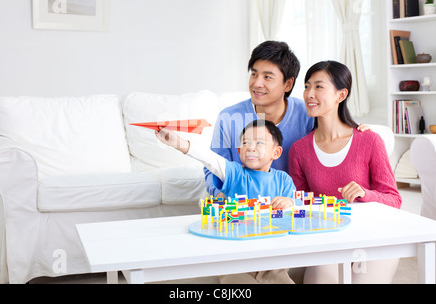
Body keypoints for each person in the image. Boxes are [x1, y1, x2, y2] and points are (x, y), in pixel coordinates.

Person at [288, 60, 402, 284]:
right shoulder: (299, 150)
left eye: (319, 87)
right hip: (327, 240)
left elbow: (394, 200)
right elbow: (299, 203)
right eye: (307, 86)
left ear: (341, 95)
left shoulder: (369, 140)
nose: (309, 94)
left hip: (374, 239)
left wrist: (365, 194)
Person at [205, 41, 315, 199]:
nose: (256, 83)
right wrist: (222, 196)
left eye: (267, 77)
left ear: (288, 84)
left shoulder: (307, 115)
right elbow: (213, 166)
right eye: (254, 74)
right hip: (242, 204)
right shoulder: (228, 118)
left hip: (288, 206)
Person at [155, 119, 295, 210]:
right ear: (239, 151)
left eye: (259, 143)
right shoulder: (234, 173)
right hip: (236, 235)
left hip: (271, 236)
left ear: (276, 153)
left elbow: (298, 203)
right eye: (246, 143)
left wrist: (289, 202)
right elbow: (209, 158)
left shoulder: (283, 179)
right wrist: (177, 142)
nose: (251, 148)